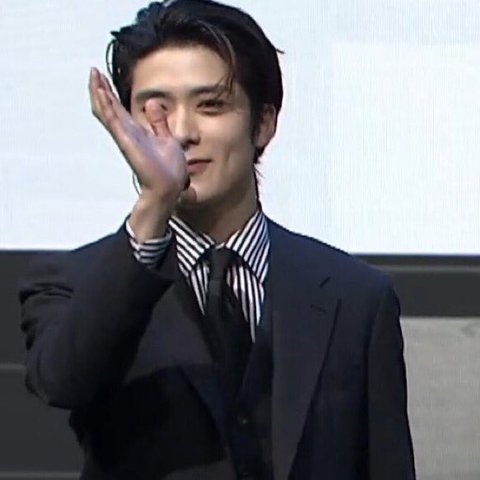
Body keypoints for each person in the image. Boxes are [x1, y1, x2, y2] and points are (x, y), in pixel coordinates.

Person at [18, 1, 416, 479]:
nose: (183, 133)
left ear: (263, 123)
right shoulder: (73, 283)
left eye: (211, 105)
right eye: (155, 110)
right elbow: (62, 381)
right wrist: (155, 202)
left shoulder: (355, 296)